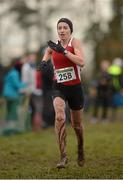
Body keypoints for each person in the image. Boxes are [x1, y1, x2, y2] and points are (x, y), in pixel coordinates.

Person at [38, 18, 85, 168]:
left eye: (65, 27)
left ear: (70, 30)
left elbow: (81, 62)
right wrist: (43, 63)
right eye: (60, 28)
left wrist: (64, 52)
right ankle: (63, 156)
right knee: (59, 116)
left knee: (77, 125)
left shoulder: (74, 43)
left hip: (75, 88)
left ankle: (80, 148)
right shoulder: (53, 46)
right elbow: (47, 53)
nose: (62, 30)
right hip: (58, 86)